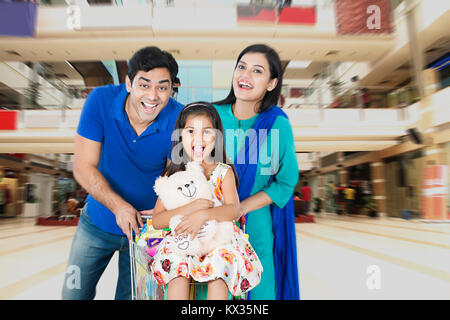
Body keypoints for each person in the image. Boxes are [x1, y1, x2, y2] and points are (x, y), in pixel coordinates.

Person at [61, 46, 184, 300]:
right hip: (96, 223)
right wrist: (119, 207)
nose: (152, 96)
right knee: (73, 294)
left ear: (172, 88)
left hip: (146, 232)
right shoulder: (100, 100)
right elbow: (83, 166)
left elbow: (181, 178)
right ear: (128, 83)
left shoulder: (180, 117)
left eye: (162, 87)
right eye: (144, 84)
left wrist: (162, 210)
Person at [151, 102, 263, 300]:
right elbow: (158, 220)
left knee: (221, 264)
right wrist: (192, 207)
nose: (198, 139)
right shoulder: (175, 175)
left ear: (217, 137)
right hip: (184, 240)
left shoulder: (223, 172)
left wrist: (202, 215)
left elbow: (233, 210)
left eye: (207, 132)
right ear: (180, 136)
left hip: (217, 240)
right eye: (191, 131)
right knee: (176, 264)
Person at [213, 44, 299, 300]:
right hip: (212, 225)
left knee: (259, 294)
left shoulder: (277, 125)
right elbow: (188, 169)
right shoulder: (211, 116)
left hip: (256, 227)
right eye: (241, 67)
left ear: (271, 83)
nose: (245, 75)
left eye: (257, 71)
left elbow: (285, 182)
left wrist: (241, 207)